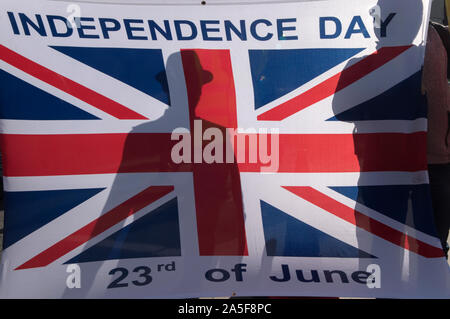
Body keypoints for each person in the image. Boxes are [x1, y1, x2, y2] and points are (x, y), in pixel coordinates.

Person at [422, 21, 450, 258]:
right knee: (388, 246)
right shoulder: (371, 34)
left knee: (435, 246)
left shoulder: (441, 35)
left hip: (438, 162)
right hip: (388, 160)